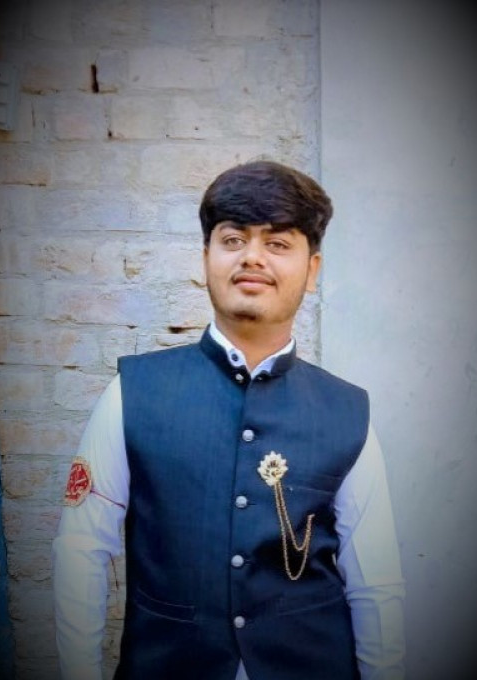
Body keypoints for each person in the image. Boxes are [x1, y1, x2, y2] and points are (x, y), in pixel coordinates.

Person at [53, 160, 406, 680]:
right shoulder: (132, 395)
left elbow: (375, 586)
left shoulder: (348, 412)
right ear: (206, 258)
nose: (252, 257)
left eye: (278, 243)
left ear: (312, 270)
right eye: (234, 239)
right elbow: (81, 555)